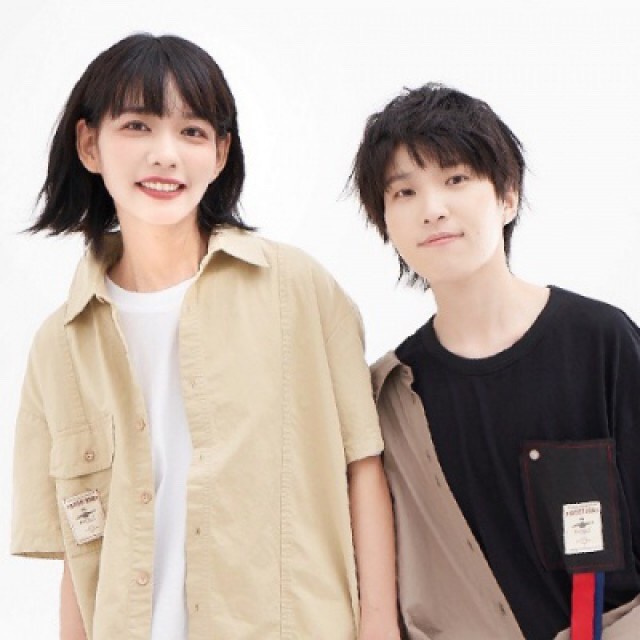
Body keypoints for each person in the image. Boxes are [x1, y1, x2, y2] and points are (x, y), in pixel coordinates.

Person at [11, 33, 400, 640]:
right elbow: (80, 551)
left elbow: (364, 470)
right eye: (137, 126)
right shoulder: (58, 344)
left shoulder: (298, 289)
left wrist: (379, 630)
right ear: (89, 144)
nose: (165, 154)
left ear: (220, 153)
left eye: (191, 131)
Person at [351, 83, 640, 639]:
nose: (433, 210)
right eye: (404, 192)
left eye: (456, 179)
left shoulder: (599, 342)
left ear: (507, 196)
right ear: (385, 221)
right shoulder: (394, 395)